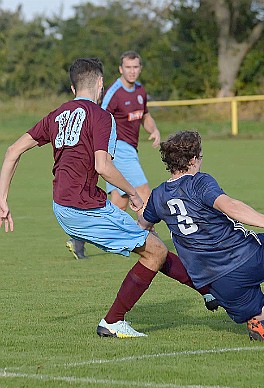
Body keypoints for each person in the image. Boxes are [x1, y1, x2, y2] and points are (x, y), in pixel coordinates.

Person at [0, 60, 217, 339]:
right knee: (156, 251)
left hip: (63, 207)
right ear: (101, 85)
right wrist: (135, 192)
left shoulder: (56, 114)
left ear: (72, 87)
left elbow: (12, 151)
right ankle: (113, 321)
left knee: (153, 249)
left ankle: (209, 291)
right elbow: (102, 166)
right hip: (84, 207)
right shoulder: (102, 117)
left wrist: (3, 199)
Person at [138, 130, 264, 343]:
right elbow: (230, 206)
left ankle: (263, 327)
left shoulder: (158, 196)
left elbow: (142, 226)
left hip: (217, 281)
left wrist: (142, 217)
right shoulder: (199, 182)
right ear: (194, 159)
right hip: (245, 256)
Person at [66, 50, 159, 260]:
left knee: (120, 203)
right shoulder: (114, 92)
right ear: (121, 69)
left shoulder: (140, 91)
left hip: (130, 150)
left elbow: (145, 116)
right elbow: (98, 115)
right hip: (118, 148)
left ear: (140, 68)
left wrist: (154, 130)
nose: (132, 71)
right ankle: (152, 242)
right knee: (144, 193)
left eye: (136, 67)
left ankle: (78, 237)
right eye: (128, 67)